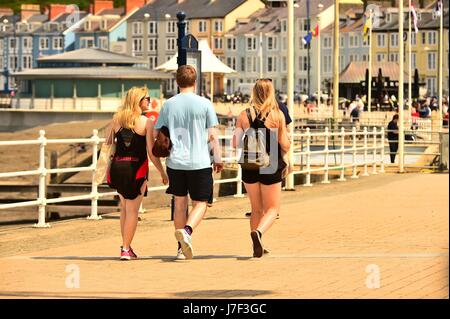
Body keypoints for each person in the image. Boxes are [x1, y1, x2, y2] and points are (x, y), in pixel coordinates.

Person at [154, 65, 223, 260]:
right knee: (201, 202)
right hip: (199, 161)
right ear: (195, 82)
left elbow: (156, 133)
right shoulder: (205, 104)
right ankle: (187, 231)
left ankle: (180, 249)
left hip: (175, 162)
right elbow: (213, 136)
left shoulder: (169, 104)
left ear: (177, 82)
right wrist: (217, 158)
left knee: (179, 204)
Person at [107, 87, 168, 260]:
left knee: (125, 209)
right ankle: (125, 249)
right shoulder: (145, 122)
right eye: (146, 98)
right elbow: (151, 152)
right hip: (136, 169)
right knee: (133, 211)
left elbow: (108, 141)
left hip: (117, 168)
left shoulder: (117, 119)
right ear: (138, 101)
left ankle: (126, 245)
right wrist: (162, 172)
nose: (149, 101)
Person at [233, 79, 291, 258]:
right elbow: (285, 145)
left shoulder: (243, 115)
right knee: (272, 209)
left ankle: (256, 246)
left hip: (250, 165)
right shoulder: (277, 115)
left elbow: (235, 143)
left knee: (256, 208)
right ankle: (258, 233)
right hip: (270, 163)